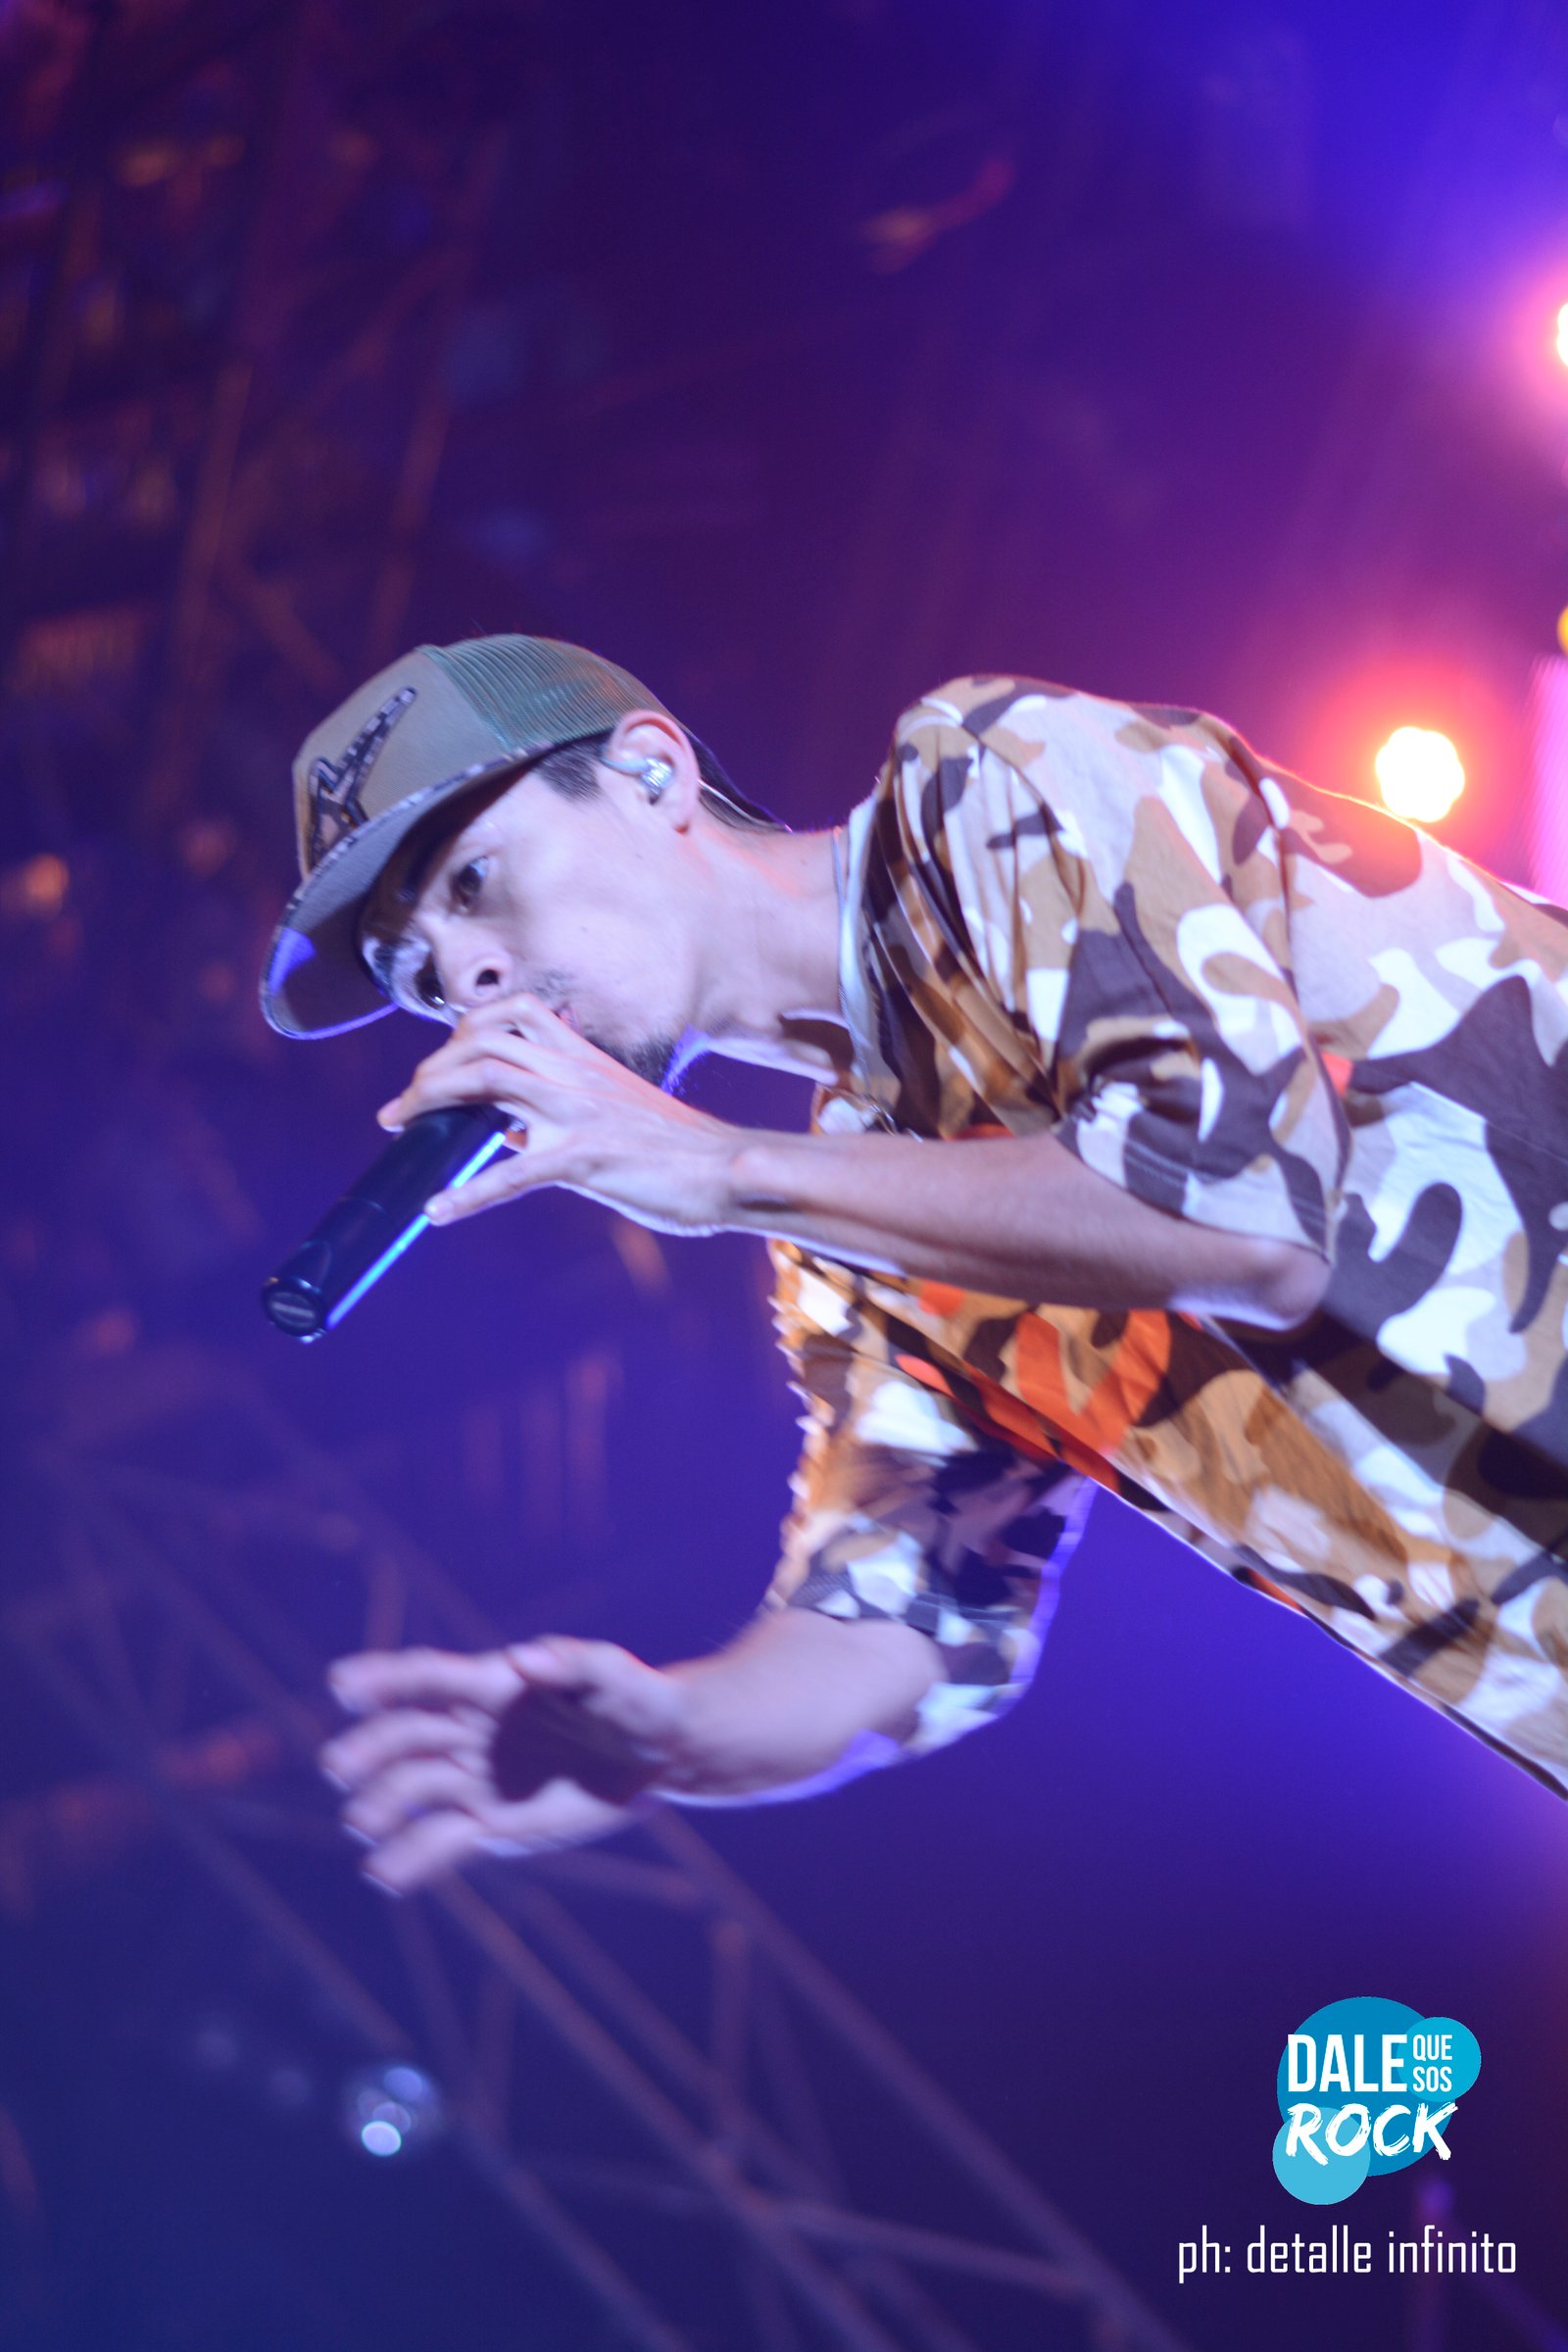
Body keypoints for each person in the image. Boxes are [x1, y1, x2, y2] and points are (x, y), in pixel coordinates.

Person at [262, 634, 1568, 1891]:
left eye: (472, 885)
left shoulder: (990, 782)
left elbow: (1240, 1210)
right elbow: (899, 1621)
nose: (467, 977)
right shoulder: (857, 1239)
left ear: (651, 772)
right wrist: (670, 1733)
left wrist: (724, 1172)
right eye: (421, 978)